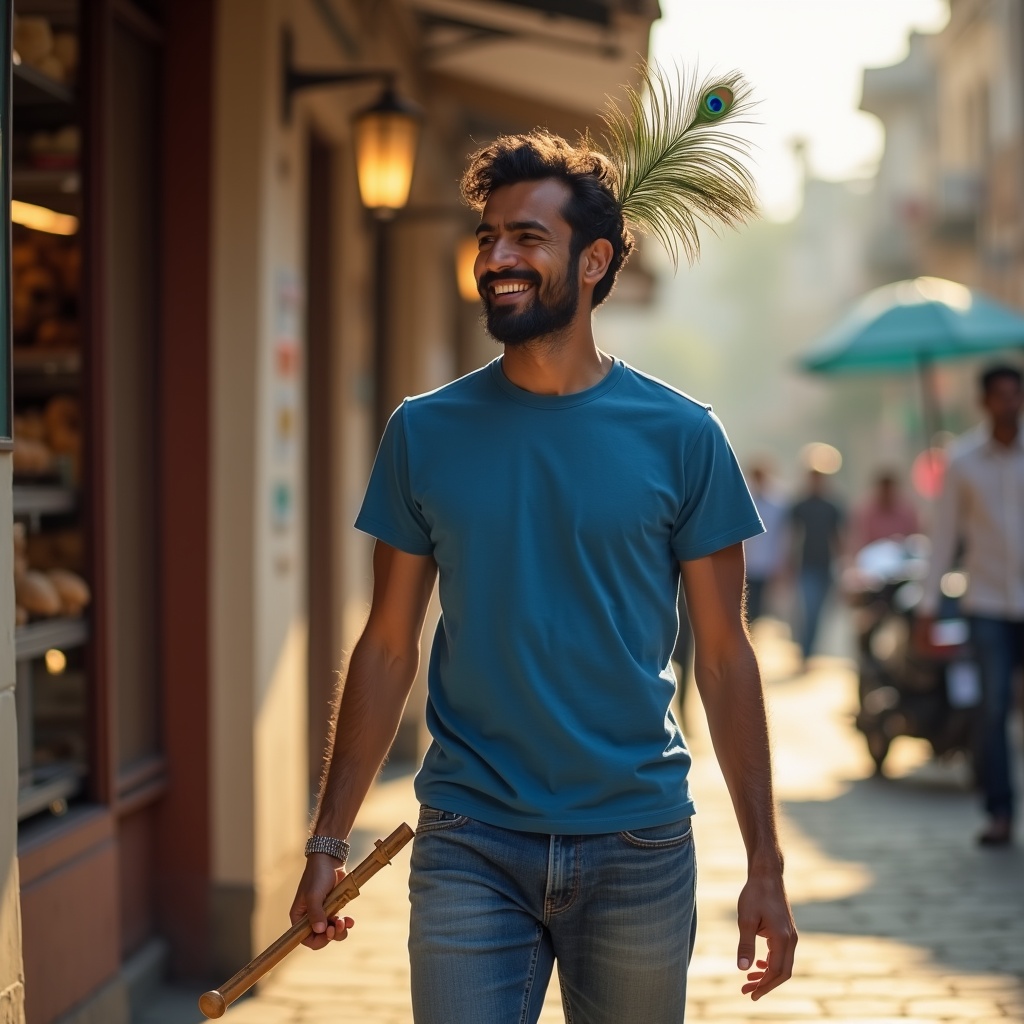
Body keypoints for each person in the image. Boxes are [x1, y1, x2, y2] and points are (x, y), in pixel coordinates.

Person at [288, 130, 795, 1022]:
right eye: (488, 238)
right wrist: (329, 839)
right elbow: (387, 643)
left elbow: (723, 656)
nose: (497, 258)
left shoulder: (683, 438)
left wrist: (766, 865)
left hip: (638, 840)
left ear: (594, 261)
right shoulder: (423, 431)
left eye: (527, 237)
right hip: (469, 840)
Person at [916, 364, 1024, 847]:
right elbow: (943, 540)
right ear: (984, 403)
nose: (1008, 404)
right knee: (992, 709)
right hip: (986, 605)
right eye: (999, 396)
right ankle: (999, 811)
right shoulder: (962, 462)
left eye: (1015, 395)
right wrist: (927, 605)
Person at [789, 469, 844, 663]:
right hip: (806, 566)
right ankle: (805, 651)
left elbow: (838, 539)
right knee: (808, 611)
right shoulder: (800, 506)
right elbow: (791, 537)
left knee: (819, 613)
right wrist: (786, 564)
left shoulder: (832, 507)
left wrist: (844, 567)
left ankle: (809, 651)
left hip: (826, 567)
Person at [743, 462, 788, 624]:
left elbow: (780, 535)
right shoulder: (743, 500)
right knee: (745, 605)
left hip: (766, 562)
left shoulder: (777, 504)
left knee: (760, 607)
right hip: (745, 562)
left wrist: (780, 563)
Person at [848, 468, 919, 555]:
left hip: (901, 556)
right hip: (874, 556)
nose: (887, 494)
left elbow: (914, 536)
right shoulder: (867, 513)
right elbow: (861, 540)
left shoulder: (906, 511)